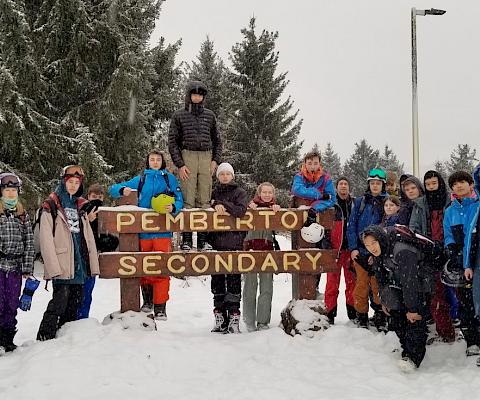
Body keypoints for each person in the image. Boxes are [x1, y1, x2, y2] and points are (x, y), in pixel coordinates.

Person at [110, 150, 183, 320]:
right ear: (148, 162)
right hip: (143, 232)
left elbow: (179, 198)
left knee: (161, 268)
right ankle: (148, 302)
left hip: (163, 231)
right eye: (152, 159)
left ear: (162, 162)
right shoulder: (141, 179)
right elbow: (113, 189)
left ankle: (160, 307)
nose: (155, 162)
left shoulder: (169, 179)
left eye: (158, 159)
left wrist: (174, 207)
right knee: (144, 268)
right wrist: (123, 189)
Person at [37, 166, 99, 341]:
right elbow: (46, 238)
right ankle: (44, 337)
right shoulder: (51, 205)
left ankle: (64, 339)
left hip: (79, 265)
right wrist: (52, 266)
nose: (73, 185)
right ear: (63, 182)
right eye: (70, 182)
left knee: (74, 305)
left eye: (76, 183)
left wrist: (91, 264)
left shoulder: (80, 205)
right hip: (62, 264)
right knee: (58, 303)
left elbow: (87, 238)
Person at [362, 225, 430, 372]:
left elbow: (410, 282)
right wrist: (385, 300)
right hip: (401, 282)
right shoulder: (381, 252)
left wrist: (412, 309)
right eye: (367, 245)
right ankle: (406, 348)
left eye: (373, 243)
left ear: (380, 239)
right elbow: (380, 277)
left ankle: (413, 357)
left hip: (421, 281)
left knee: (415, 317)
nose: (371, 248)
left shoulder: (402, 251)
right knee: (396, 312)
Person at [168, 80, 222, 251]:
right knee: (188, 199)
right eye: (194, 94)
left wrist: (215, 160)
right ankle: (186, 239)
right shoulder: (179, 115)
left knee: (204, 199)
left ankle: (203, 240)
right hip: (188, 155)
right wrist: (180, 164)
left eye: (200, 95)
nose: (197, 97)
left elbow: (218, 140)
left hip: (206, 156)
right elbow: (172, 142)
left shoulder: (209, 115)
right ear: (189, 95)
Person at [409, 170, 455, 342]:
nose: (431, 187)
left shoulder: (450, 202)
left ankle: (466, 330)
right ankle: (445, 332)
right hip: (430, 253)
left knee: (458, 293)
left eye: (434, 183)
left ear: (440, 183)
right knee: (437, 295)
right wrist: (427, 246)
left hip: (451, 251)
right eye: (428, 184)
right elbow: (414, 228)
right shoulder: (420, 205)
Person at [443, 170, 480, 356]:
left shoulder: (478, 206)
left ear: (471, 185)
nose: (458, 186)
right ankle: (472, 340)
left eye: (462, 182)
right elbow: (448, 234)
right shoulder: (450, 211)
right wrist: (453, 252)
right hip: (460, 261)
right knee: (466, 302)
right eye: (454, 184)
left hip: (477, 259)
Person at [291, 151, 336, 299]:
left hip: (318, 221)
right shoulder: (299, 177)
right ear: (305, 163)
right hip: (299, 222)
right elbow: (297, 189)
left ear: (319, 163)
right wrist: (319, 194)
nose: (312, 165)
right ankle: (300, 292)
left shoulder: (325, 178)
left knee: (316, 255)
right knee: (300, 255)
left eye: (315, 163)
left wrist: (315, 207)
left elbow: (331, 199)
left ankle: (314, 288)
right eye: (309, 163)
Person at [209, 163, 248, 333]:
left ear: (232, 176)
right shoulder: (214, 192)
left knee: (233, 281)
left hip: (234, 243)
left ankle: (233, 316)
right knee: (217, 281)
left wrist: (223, 206)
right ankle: (220, 317)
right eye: (222, 174)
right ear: (218, 176)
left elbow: (240, 211)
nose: (225, 176)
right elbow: (206, 206)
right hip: (216, 243)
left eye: (228, 174)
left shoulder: (240, 192)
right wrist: (214, 204)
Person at [347, 168, 387, 329]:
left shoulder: (387, 203)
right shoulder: (360, 202)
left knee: (378, 286)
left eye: (378, 183)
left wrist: (379, 252)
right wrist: (353, 248)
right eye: (372, 183)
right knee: (361, 287)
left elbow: (388, 227)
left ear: (382, 185)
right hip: (360, 252)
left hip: (378, 253)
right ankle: (361, 316)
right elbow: (351, 226)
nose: (375, 186)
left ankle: (380, 314)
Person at [0, 173, 34, 353]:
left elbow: (29, 241)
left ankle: (7, 338)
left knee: (12, 303)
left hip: (15, 268)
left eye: (14, 190)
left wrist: (27, 267)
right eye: (7, 190)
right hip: (0, 266)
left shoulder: (22, 214)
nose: (11, 193)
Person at [242, 182, 281, 332]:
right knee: (250, 287)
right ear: (259, 193)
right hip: (251, 248)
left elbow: (281, 224)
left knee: (266, 288)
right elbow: (241, 216)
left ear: (273, 194)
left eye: (269, 192)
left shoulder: (275, 208)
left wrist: (277, 210)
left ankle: (263, 321)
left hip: (267, 250)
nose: (266, 195)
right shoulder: (251, 206)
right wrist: (249, 207)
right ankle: (249, 320)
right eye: (264, 192)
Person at [77, 184, 119, 319]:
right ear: (88, 197)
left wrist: (109, 242)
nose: (97, 199)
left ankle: (83, 318)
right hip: (80, 258)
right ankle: (75, 319)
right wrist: (87, 220)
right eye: (94, 196)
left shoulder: (104, 213)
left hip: (93, 258)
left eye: (100, 197)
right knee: (78, 292)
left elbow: (101, 238)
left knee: (87, 292)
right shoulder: (81, 210)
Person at [325, 177, 356, 324]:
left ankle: (353, 313)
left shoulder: (356, 204)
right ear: (336, 188)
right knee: (332, 284)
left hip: (351, 250)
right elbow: (324, 227)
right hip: (335, 250)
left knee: (352, 284)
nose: (343, 186)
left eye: (346, 184)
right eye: (341, 184)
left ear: (349, 187)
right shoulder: (331, 204)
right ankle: (329, 314)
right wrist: (326, 246)